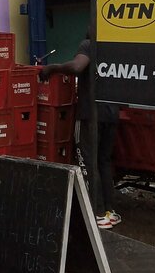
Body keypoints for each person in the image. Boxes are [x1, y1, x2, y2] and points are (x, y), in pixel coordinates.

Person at [39, 34, 121, 230]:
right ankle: (110, 212)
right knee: (104, 161)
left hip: (90, 116)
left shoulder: (88, 45)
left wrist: (52, 68)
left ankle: (98, 214)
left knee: (88, 163)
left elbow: (77, 67)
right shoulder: (115, 46)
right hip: (111, 113)